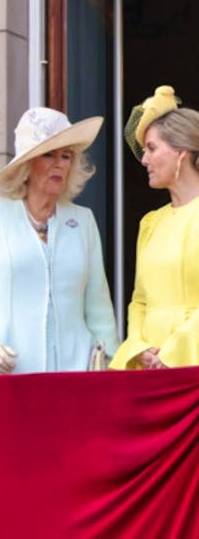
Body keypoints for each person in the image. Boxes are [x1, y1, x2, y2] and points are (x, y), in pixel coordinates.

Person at [0, 107, 118, 374]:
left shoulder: (83, 221)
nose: (60, 164)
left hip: (72, 379)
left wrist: (108, 364)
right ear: (27, 164)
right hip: (7, 376)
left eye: (66, 156)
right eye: (49, 154)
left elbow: (99, 309)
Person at [111, 86, 199, 369]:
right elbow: (139, 301)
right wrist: (139, 346)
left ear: (181, 151)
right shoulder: (150, 223)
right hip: (151, 371)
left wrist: (173, 353)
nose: (144, 160)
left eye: (151, 148)